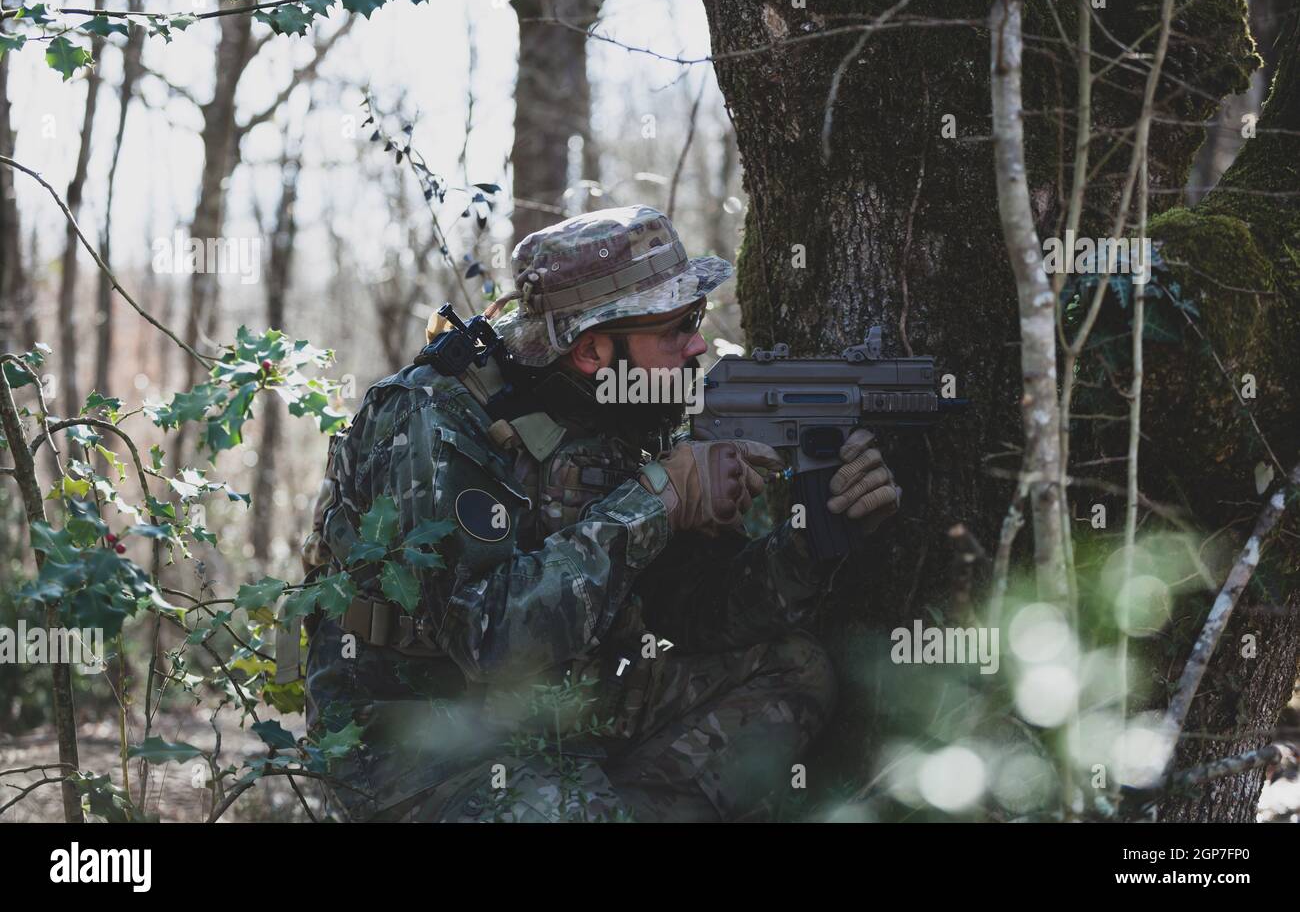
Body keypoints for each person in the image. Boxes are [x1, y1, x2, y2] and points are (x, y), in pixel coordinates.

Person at [298, 204, 901, 821]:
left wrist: (809, 539)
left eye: (695, 319)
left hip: (559, 698)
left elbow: (690, 612)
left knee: (795, 671)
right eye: (676, 327)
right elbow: (488, 639)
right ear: (591, 350)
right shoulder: (433, 421)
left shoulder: (631, 406)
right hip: (415, 735)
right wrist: (660, 498)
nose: (697, 344)